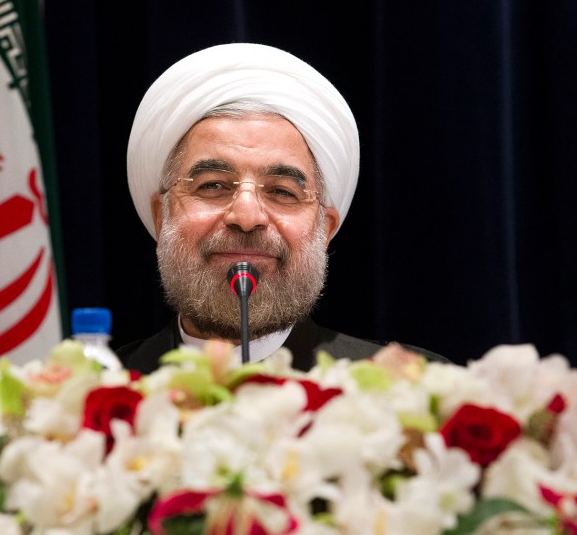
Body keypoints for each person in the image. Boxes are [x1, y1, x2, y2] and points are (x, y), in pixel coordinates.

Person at [117, 43, 446, 372]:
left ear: (325, 228)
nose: (247, 217)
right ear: (161, 217)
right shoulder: (88, 396)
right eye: (213, 185)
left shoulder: (413, 391)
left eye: (282, 191)